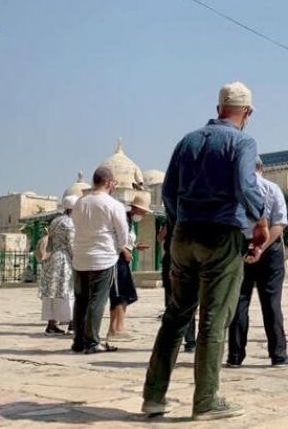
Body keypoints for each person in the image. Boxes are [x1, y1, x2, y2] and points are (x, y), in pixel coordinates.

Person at [143, 81, 268, 421]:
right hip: (221, 235)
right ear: (248, 112)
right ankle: (206, 400)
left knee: (176, 315)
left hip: (184, 236)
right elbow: (245, 186)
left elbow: (168, 192)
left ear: (218, 109)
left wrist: (176, 224)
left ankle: (154, 396)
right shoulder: (243, 141)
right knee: (213, 320)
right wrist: (260, 218)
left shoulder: (189, 140)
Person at [227, 157, 288, 368]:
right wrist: (260, 248)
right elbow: (279, 224)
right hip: (269, 249)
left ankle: (235, 356)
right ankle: (278, 354)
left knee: (239, 302)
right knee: (271, 302)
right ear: (261, 168)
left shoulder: (233, 190)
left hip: (240, 248)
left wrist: (248, 248)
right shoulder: (272, 188)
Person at [71, 166, 130, 354]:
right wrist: (122, 249)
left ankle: (78, 340)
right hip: (103, 258)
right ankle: (92, 342)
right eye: (113, 182)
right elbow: (123, 234)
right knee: (97, 300)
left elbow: (76, 226)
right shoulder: (113, 205)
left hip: (80, 257)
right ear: (108, 182)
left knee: (81, 300)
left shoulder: (80, 203)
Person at [107, 192, 151, 341]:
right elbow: (113, 238)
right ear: (136, 209)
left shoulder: (131, 222)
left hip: (124, 260)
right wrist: (124, 250)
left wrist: (135, 247)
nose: (143, 215)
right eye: (143, 212)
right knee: (119, 295)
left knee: (125, 294)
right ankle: (114, 330)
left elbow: (125, 240)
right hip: (117, 260)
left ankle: (118, 327)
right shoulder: (123, 219)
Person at [40, 195, 78, 335]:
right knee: (68, 291)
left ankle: (51, 325)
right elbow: (71, 244)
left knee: (53, 293)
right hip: (64, 260)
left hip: (51, 258)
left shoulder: (55, 221)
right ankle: (73, 324)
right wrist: (78, 261)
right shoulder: (69, 223)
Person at [158, 221, 196, 353]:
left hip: (172, 258)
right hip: (189, 259)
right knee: (189, 301)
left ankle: (170, 340)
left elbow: (160, 236)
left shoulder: (171, 217)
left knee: (172, 302)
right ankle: (190, 341)